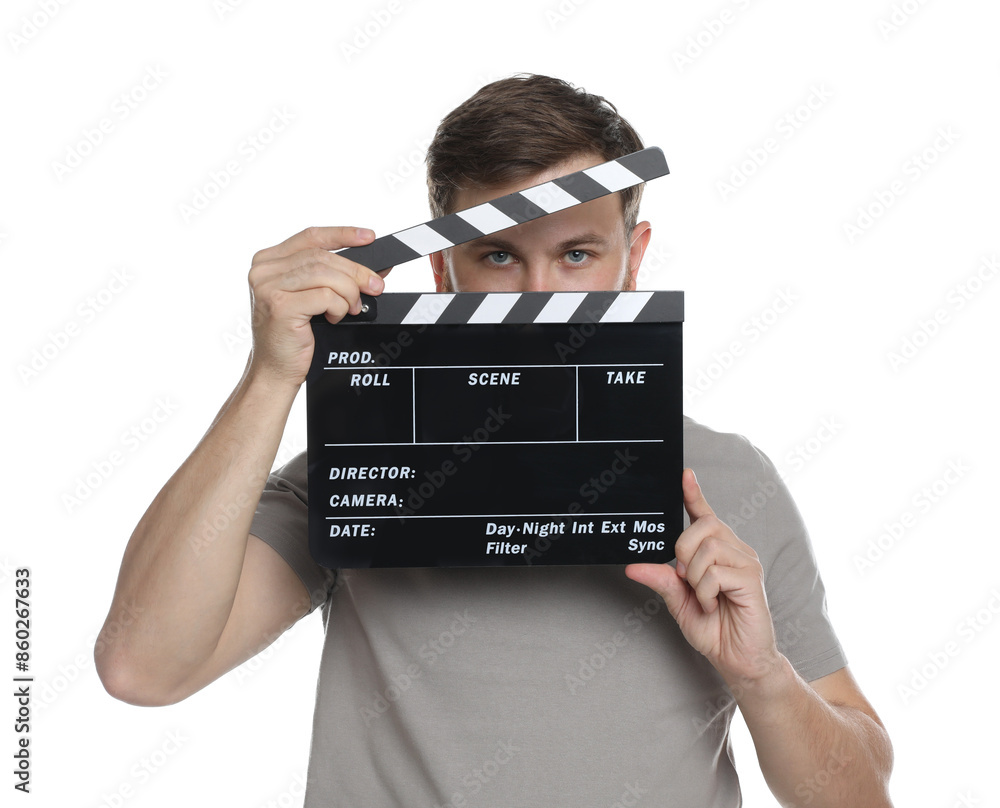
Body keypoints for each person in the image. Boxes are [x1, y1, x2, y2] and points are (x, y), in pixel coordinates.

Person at [95, 74, 894, 807]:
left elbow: (859, 795)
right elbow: (142, 666)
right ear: (444, 271)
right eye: (500, 255)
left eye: (577, 254)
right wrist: (268, 378)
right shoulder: (359, 468)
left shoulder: (726, 478)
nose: (541, 296)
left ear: (634, 261)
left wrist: (761, 675)